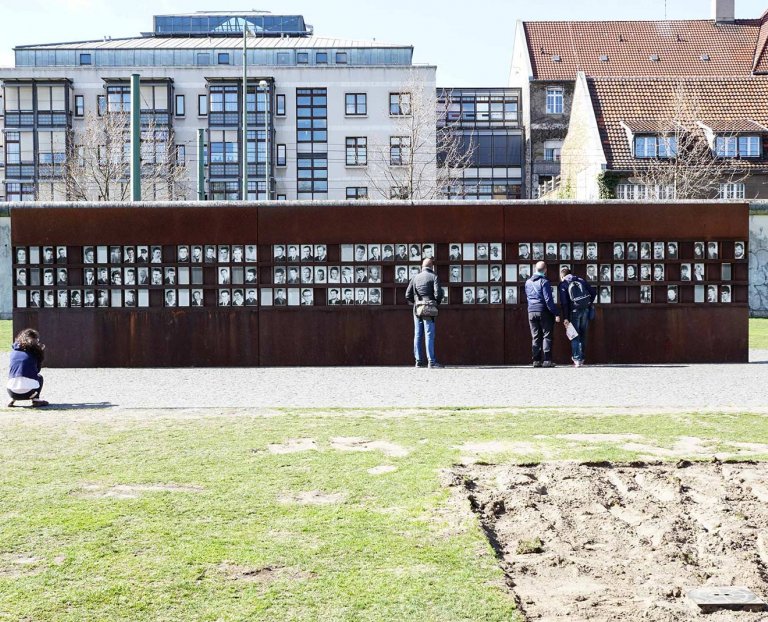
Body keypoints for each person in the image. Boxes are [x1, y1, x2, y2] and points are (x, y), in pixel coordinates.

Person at [406, 257, 444, 368]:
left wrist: (417, 302)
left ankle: (418, 361)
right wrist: (435, 302)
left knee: (417, 335)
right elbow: (438, 294)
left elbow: (407, 295)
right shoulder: (434, 277)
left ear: (422, 267)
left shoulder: (415, 278)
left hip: (417, 309)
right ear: (432, 267)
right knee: (429, 335)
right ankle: (431, 362)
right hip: (429, 309)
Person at [525, 261, 561, 368]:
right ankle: (547, 360)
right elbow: (548, 299)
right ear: (545, 270)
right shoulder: (544, 282)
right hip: (543, 311)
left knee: (535, 337)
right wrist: (556, 313)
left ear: (535, 269)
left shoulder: (528, 282)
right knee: (547, 336)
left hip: (531, 311)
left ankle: (536, 360)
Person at [559, 267, 596, 367]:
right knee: (583, 334)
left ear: (562, 275)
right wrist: (588, 303)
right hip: (585, 310)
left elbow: (564, 303)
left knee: (574, 335)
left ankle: (576, 359)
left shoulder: (563, 284)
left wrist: (566, 318)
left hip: (573, 312)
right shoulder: (581, 280)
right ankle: (582, 358)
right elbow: (593, 292)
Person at [7, 328, 48, 408]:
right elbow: (37, 370)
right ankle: (36, 400)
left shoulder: (14, 352)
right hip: (30, 392)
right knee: (39, 377)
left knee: (15, 374)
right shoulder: (34, 352)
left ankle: (12, 399)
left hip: (11, 391)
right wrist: (40, 353)